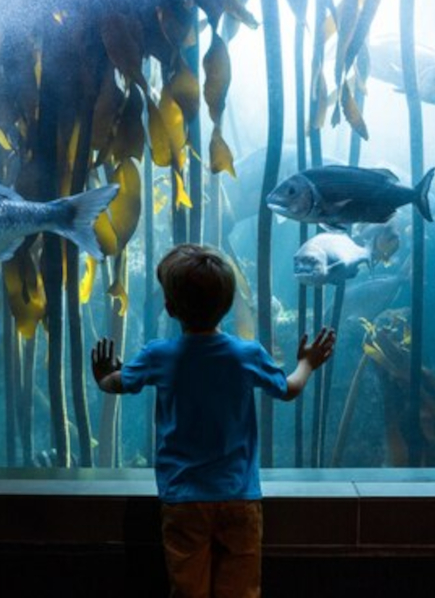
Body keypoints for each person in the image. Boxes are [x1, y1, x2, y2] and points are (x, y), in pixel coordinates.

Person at [91, 243, 335, 598]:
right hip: (239, 498)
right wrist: (307, 364)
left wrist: (102, 375)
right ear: (227, 305)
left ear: (171, 307)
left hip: (183, 500)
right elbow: (288, 389)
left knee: (188, 589)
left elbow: (118, 383)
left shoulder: (159, 355)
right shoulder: (246, 355)